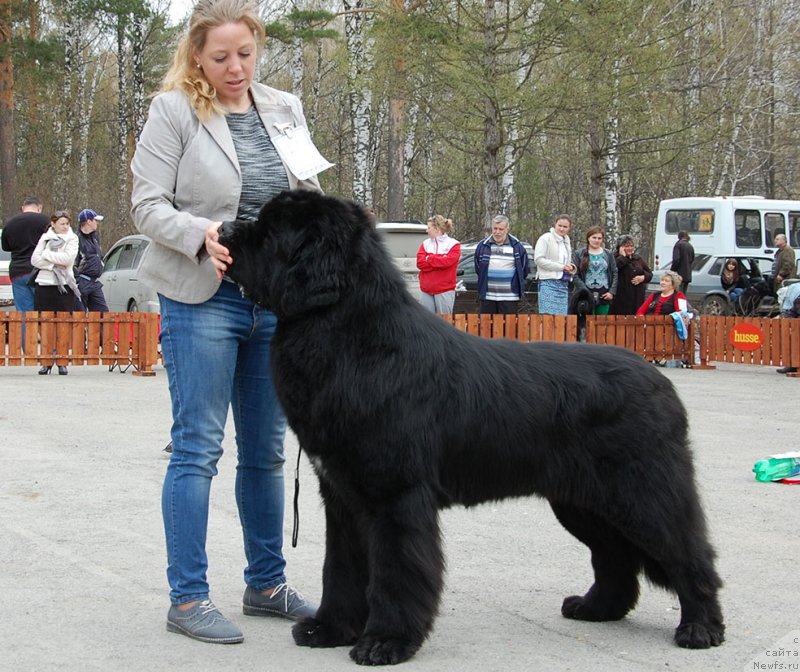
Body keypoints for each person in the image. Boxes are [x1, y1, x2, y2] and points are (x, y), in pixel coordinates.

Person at [130, 0, 322, 645]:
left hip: (276, 305)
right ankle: (187, 598)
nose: (235, 68)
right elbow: (146, 205)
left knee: (266, 453)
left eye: (245, 54)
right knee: (198, 449)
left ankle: (266, 583)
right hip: (201, 300)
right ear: (195, 56)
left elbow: (307, 197)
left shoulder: (284, 108)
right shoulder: (174, 111)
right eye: (219, 58)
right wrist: (198, 232)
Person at [30, 209, 81, 375]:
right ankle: (46, 361)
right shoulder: (45, 238)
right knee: (45, 324)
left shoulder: (72, 238)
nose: (65, 227)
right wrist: (52, 264)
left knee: (63, 324)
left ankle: (62, 361)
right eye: (62, 224)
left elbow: (68, 260)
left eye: (67, 223)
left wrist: (46, 256)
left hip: (64, 285)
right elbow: (35, 260)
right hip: (44, 284)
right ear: (53, 224)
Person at [1, 196, 50, 312]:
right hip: (40, 271)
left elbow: (6, 247)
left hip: (17, 272)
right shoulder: (46, 221)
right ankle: (42, 330)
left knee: (24, 312)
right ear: (39, 208)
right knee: (44, 311)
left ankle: (25, 330)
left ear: (23, 208)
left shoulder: (10, 224)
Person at [474, 214, 529, 314]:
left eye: (501, 229)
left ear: (507, 229)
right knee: (487, 327)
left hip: (510, 296)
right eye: (495, 228)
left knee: (508, 328)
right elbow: (478, 268)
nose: (497, 232)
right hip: (488, 296)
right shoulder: (482, 246)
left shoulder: (517, 246)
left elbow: (523, 269)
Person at [416, 214, 460, 314]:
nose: (427, 230)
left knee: (445, 321)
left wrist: (429, 258)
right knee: (426, 321)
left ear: (436, 228)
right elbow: (420, 263)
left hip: (444, 290)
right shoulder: (425, 244)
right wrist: (439, 261)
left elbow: (448, 262)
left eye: (429, 228)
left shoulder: (454, 245)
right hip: (426, 290)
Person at [534, 214, 576, 315]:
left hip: (563, 284)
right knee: (547, 318)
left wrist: (571, 267)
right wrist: (561, 267)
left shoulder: (566, 241)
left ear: (569, 228)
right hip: (547, 283)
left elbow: (566, 261)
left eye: (565, 227)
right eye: (559, 225)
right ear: (555, 225)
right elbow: (539, 260)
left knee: (561, 320)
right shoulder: (545, 238)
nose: (561, 229)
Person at [571, 226, 618, 315]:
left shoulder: (608, 254)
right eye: (594, 237)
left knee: (601, 323)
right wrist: (585, 291)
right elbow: (574, 274)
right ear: (588, 238)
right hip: (585, 296)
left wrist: (611, 292)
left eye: (599, 238)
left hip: (604, 295)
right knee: (587, 324)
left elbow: (614, 272)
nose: (596, 240)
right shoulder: (579, 253)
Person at [74, 208, 110, 312]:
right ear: (88, 222)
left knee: (103, 314)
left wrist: (101, 264)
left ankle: (101, 329)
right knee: (79, 316)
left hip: (94, 282)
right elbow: (73, 262)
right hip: (81, 281)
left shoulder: (94, 238)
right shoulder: (76, 239)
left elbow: (99, 255)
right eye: (95, 220)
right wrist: (77, 280)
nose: (97, 223)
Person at [611, 235, 652, 315]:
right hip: (621, 298)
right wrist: (623, 257)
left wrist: (643, 278)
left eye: (631, 246)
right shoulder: (614, 258)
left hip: (637, 297)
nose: (629, 248)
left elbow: (649, 274)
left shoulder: (638, 259)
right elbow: (614, 269)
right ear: (620, 247)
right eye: (626, 246)